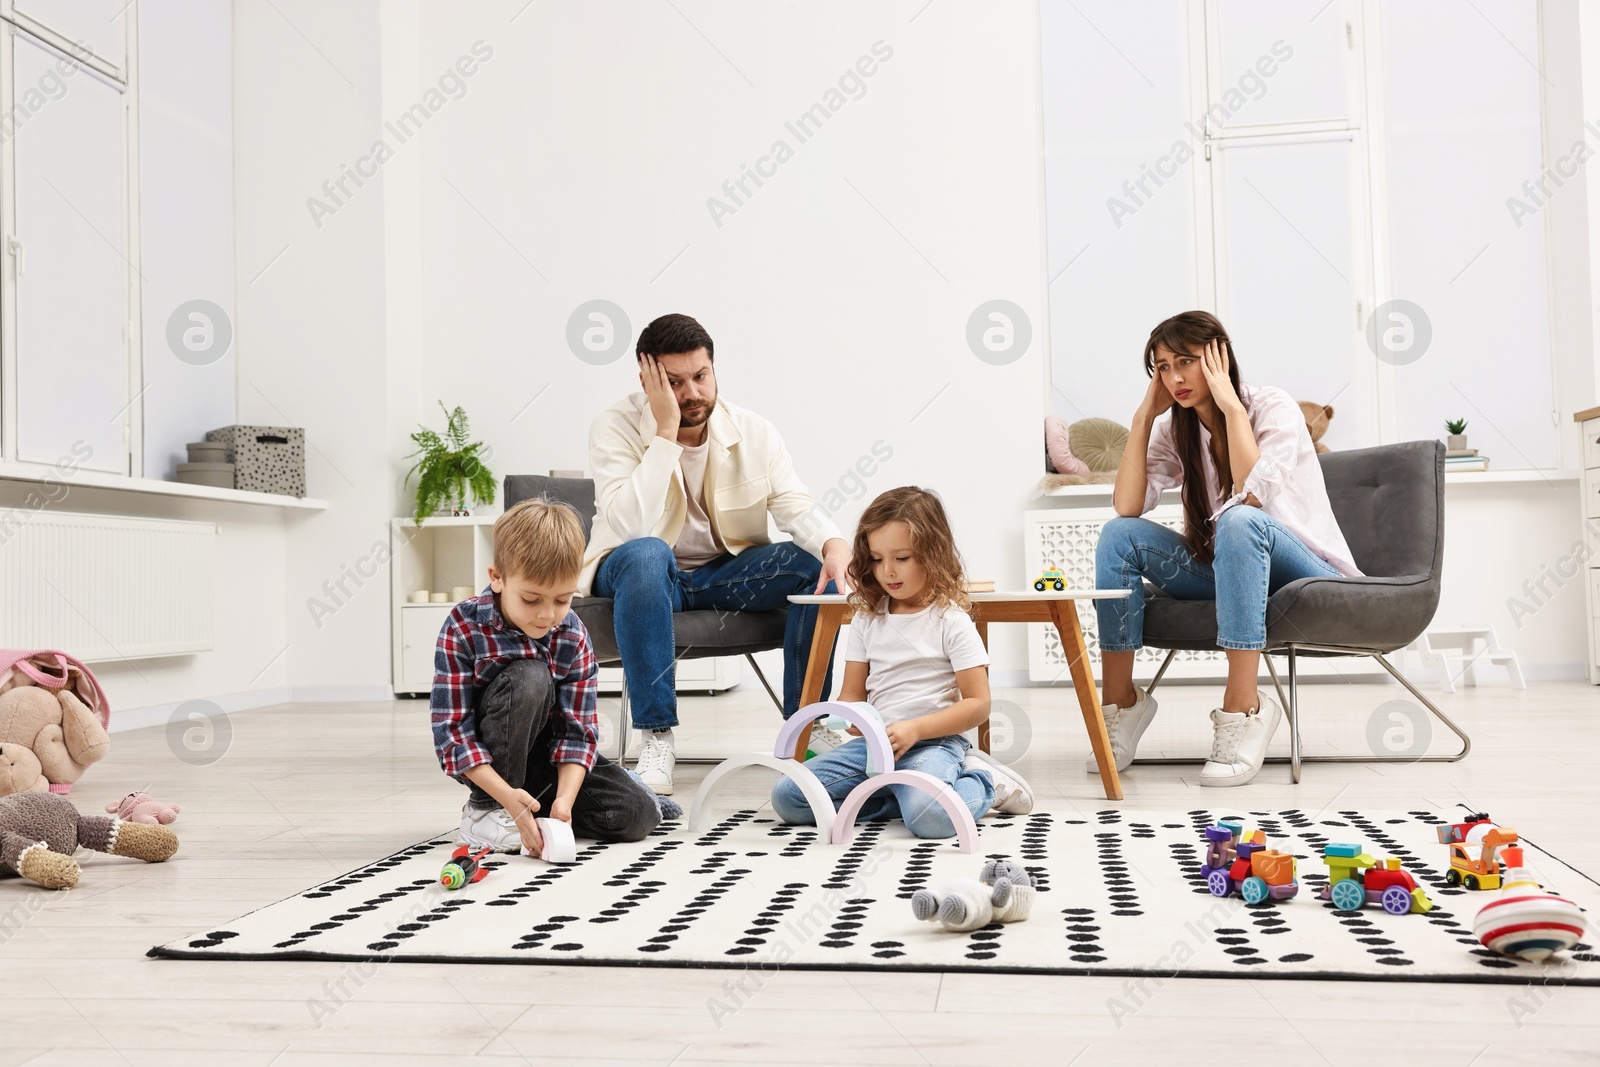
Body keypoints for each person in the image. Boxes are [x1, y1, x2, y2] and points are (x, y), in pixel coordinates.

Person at [583, 313, 852, 795]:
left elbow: (792, 502)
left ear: (713, 370)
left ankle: (804, 729)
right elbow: (629, 526)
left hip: (719, 575)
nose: (692, 393)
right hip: (636, 573)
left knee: (812, 568)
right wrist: (665, 434)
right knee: (646, 553)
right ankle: (657, 738)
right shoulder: (614, 428)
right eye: (674, 382)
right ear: (648, 380)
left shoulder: (754, 431)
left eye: (700, 377)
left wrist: (833, 542)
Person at [1094, 310, 1364, 787]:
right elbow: (1127, 503)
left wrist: (1231, 408)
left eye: (1186, 361)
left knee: (1240, 518)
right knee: (1120, 534)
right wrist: (1142, 417)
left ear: (1219, 356)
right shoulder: (1174, 428)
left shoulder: (1271, 407)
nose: (1174, 378)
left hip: (1305, 571)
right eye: (1161, 367)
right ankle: (1121, 704)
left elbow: (1250, 492)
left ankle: (1245, 708)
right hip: (1231, 569)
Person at [770, 487, 1034, 839]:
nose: (888, 572)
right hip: (875, 748)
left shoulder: (951, 621)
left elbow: (979, 704)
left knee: (932, 819)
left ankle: (984, 782)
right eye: (877, 559)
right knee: (789, 797)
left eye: (902, 558)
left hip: (934, 744)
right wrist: (853, 718)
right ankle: (902, 797)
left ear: (933, 553)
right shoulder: (866, 619)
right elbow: (851, 693)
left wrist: (916, 729)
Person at [432, 500, 667, 853]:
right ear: (497, 577)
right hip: (492, 764)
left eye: (562, 600)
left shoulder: (572, 634)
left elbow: (577, 733)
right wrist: (505, 797)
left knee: (639, 813)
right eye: (531, 599)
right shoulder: (464, 626)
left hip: (548, 763)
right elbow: (452, 737)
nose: (547, 616)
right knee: (530, 677)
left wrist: (564, 805)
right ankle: (485, 812)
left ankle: (535, 809)